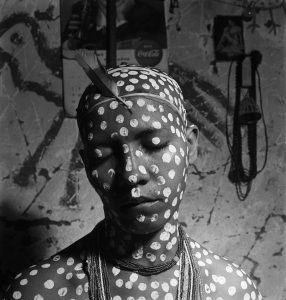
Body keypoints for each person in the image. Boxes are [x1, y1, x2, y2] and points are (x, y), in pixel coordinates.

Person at [4, 62, 263, 300]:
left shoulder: (233, 292)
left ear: (189, 146)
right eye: (102, 155)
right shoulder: (36, 292)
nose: (131, 173)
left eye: (154, 144)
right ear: (87, 164)